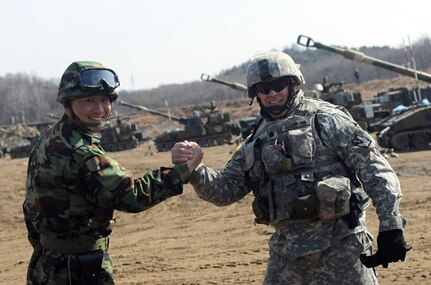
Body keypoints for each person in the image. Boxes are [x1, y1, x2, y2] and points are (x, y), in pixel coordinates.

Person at [172, 51, 411, 284]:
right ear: (255, 94)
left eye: (279, 85)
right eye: (264, 89)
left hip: (342, 248)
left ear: (293, 84)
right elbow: (225, 190)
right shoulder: (255, 140)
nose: (273, 94)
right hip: (287, 256)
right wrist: (195, 168)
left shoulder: (326, 120)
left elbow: (376, 170)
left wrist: (391, 226)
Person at [23, 61, 203, 285]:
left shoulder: (46, 140)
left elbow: (30, 208)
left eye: (105, 100)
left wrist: (49, 248)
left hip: (46, 264)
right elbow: (134, 196)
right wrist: (183, 170)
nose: (99, 109)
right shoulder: (82, 152)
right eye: (89, 100)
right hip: (77, 270)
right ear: (67, 103)